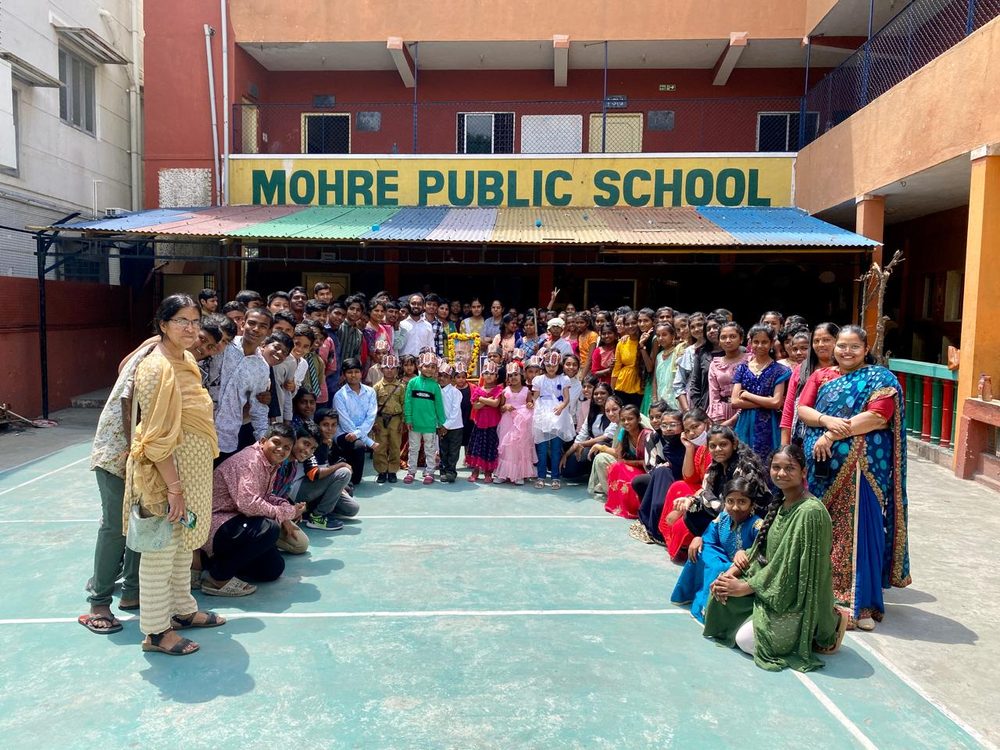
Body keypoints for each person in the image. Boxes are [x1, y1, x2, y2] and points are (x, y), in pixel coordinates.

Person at [125, 294, 223, 655]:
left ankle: (182, 610)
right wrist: (175, 488)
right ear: (163, 324)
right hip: (168, 476)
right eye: (181, 320)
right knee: (161, 549)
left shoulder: (186, 360)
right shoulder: (156, 368)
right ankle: (154, 631)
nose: (191, 328)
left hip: (192, 470)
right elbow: (154, 437)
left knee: (185, 542)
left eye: (196, 321)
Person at [798, 325, 911, 630]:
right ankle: (822, 598)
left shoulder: (879, 377)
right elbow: (803, 409)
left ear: (865, 349)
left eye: (854, 347)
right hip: (822, 470)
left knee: (862, 530)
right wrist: (824, 420)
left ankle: (861, 606)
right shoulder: (820, 376)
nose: (846, 352)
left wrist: (831, 435)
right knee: (823, 529)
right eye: (842, 346)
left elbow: (877, 417)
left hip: (863, 469)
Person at [702, 445, 849, 672]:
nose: (781, 473)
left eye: (789, 468)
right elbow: (761, 548)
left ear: (803, 472)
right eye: (776, 467)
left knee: (745, 641)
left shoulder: (809, 512)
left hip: (796, 597)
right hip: (771, 585)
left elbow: (788, 568)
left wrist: (744, 587)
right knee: (717, 599)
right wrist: (731, 573)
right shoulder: (781, 503)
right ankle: (753, 614)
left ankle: (826, 622)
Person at [203, 424, 302, 597]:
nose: (281, 450)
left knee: (273, 569)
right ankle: (218, 577)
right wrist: (287, 513)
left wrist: (285, 505)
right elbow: (248, 504)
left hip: (237, 521)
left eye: (287, 447)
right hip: (216, 523)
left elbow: (265, 495)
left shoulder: (270, 462)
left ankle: (215, 562)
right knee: (269, 528)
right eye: (276, 443)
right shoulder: (249, 461)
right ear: (263, 441)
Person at [660, 425, 769, 562]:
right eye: (713, 446)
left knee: (698, 512)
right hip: (726, 509)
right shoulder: (715, 467)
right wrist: (690, 500)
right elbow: (707, 493)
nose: (718, 450)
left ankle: (720, 547)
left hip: (747, 515)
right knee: (692, 513)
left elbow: (733, 504)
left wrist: (697, 500)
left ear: (734, 444)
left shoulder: (744, 468)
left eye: (723, 445)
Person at [671, 477, 763, 623]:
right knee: (699, 550)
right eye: (730, 501)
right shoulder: (723, 518)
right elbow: (710, 539)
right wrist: (698, 538)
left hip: (744, 570)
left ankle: (709, 610)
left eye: (742, 502)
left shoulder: (757, 525)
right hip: (724, 559)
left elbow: (762, 553)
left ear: (752, 504)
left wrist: (746, 552)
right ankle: (691, 595)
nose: (735, 507)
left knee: (718, 567)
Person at [731, 324, 791, 466]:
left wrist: (747, 395)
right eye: (756, 342)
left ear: (771, 343)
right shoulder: (742, 368)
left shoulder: (780, 370)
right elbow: (734, 401)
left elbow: (776, 403)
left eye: (764, 342)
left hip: (769, 423)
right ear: (750, 343)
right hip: (745, 423)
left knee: (767, 463)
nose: (760, 345)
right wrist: (765, 401)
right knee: (743, 462)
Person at [630, 405, 685, 544]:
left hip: (683, 477)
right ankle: (653, 521)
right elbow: (650, 464)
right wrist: (663, 467)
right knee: (645, 479)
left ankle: (655, 521)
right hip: (662, 475)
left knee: (662, 473)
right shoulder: (655, 439)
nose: (668, 428)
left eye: (672, 425)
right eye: (664, 425)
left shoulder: (687, 440)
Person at [780, 323, 838, 446]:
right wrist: (784, 446)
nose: (820, 344)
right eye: (816, 341)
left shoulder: (845, 370)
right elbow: (789, 409)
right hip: (803, 437)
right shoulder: (801, 370)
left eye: (826, 340)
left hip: (838, 434)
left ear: (837, 341)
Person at [531, 351, 575, 489]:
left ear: (558, 366)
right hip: (543, 414)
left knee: (556, 448)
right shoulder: (539, 379)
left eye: (554, 366)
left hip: (557, 415)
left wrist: (562, 406)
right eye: (548, 365)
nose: (551, 368)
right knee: (542, 448)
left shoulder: (563, 379)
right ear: (544, 365)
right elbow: (535, 397)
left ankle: (555, 477)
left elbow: (566, 398)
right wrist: (533, 405)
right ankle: (541, 476)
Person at [333, 357, 378, 486]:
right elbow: (344, 421)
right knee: (358, 445)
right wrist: (368, 441)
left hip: (359, 434)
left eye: (356, 371)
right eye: (349, 372)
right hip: (343, 433)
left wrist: (359, 435)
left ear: (361, 373)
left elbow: (371, 417)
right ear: (344, 375)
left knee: (358, 443)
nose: (353, 375)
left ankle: (355, 478)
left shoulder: (370, 392)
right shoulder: (340, 396)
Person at [403, 351, 446, 484]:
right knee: (413, 448)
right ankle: (411, 472)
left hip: (430, 424)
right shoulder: (412, 383)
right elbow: (407, 402)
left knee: (430, 449)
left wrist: (441, 423)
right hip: (414, 424)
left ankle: (430, 472)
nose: (429, 369)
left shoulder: (435, 386)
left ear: (436, 369)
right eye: (426, 366)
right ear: (420, 367)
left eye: (433, 367)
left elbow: (439, 406)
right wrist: (408, 419)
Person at [603, 404, 652, 519]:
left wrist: (627, 462)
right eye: (623, 420)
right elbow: (620, 458)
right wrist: (626, 462)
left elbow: (647, 463)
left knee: (621, 467)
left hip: (647, 471)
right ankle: (620, 505)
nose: (626, 422)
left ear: (638, 419)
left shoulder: (647, 435)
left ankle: (635, 507)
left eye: (630, 419)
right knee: (616, 466)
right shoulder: (623, 433)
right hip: (633, 467)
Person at [493, 362, 536, 485]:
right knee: (506, 447)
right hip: (507, 421)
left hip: (521, 422)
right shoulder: (505, 390)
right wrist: (505, 406)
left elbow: (530, 404)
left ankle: (518, 474)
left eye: (516, 374)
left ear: (521, 375)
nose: (513, 378)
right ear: (507, 378)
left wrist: (529, 405)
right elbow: (500, 407)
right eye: (510, 375)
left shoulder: (526, 390)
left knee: (519, 447)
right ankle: (503, 473)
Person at [467, 361, 504, 482]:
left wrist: (482, 399)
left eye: (492, 373)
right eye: (486, 373)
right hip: (480, 424)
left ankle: (488, 472)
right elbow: (475, 406)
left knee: (490, 448)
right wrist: (488, 400)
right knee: (477, 447)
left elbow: (496, 403)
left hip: (493, 424)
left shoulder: (498, 389)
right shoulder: (478, 389)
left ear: (496, 376)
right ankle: (475, 471)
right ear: (482, 375)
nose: (489, 376)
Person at [372, 354, 405, 484]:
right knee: (380, 446)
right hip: (380, 420)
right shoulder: (376, 387)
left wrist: (403, 421)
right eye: (386, 368)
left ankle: (392, 471)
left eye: (393, 368)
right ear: (381, 369)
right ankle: (381, 471)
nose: (389, 370)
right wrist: (374, 422)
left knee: (395, 446)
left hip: (396, 419)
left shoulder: (401, 387)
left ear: (397, 370)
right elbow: (373, 407)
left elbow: (404, 404)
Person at [707, 321, 746, 426]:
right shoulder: (715, 364)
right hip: (722, 412)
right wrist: (719, 419)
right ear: (719, 341)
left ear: (741, 339)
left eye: (733, 336)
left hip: (746, 410)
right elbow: (713, 395)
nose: (728, 340)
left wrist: (735, 418)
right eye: (723, 337)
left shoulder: (750, 360)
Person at [585, 394, 624, 500]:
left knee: (600, 458)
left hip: (636, 463)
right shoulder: (617, 424)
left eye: (615, 409)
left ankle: (614, 495)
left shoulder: (626, 422)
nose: (611, 414)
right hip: (627, 459)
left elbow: (619, 453)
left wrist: (601, 447)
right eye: (607, 411)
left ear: (622, 408)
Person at [438, 362, 465, 483]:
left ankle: (451, 471)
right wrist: (440, 425)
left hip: (455, 427)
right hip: (440, 426)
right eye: (440, 375)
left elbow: (455, 412)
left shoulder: (456, 393)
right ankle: (443, 470)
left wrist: (446, 425)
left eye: (445, 376)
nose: (442, 378)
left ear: (451, 379)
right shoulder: (436, 390)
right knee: (443, 449)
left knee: (453, 450)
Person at [611, 312, 643, 409]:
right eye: (627, 324)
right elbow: (616, 368)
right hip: (622, 384)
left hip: (640, 385)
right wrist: (612, 389)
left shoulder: (645, 340)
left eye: (633, 323)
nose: (630, 326)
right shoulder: (622, 343)